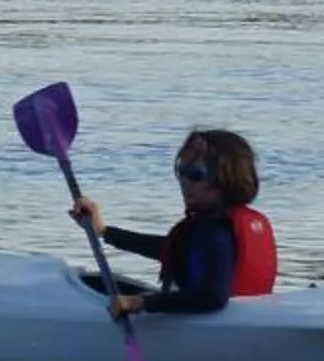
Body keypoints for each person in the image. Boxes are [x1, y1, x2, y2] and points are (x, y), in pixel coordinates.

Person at [70, 128, 278, 318]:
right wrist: (104, 231)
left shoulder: (214, 231)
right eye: (181, 170)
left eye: (196, 174)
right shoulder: (221, 225)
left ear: (227, 180)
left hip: (213, 324)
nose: (184, 181)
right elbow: (174, 251)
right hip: (241, 318)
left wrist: (140, 303)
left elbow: (212, 297)